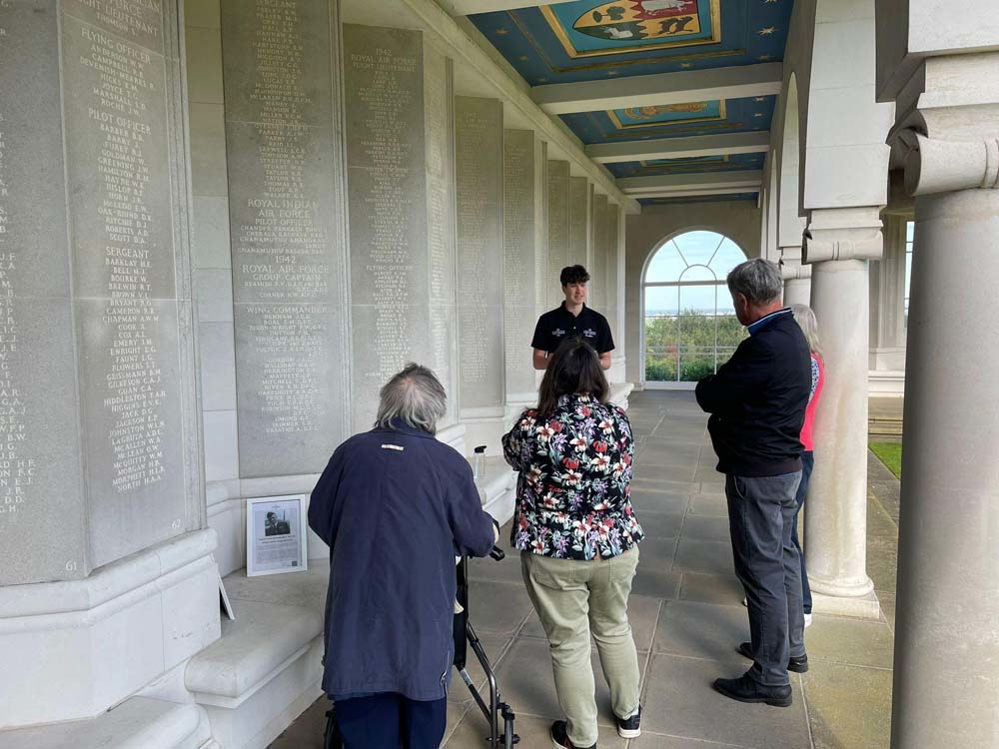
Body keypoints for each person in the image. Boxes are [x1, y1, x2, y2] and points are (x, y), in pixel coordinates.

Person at [308, 364, 498, 749]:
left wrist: (361, 546)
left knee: (363, 720)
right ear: (434, 413)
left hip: (357, 612)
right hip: (419, 616)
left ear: (385, 407)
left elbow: (320, 517)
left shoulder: (350, 452)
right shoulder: (447, 463)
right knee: (420, 716)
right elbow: (477, 539)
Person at [502, 339, 644, 749]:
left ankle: (581, 736)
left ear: (554, 377)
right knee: (614, 627)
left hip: (554, 551)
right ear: (595, 378)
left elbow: (512, 455)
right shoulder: (617, 420)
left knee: (569, 643)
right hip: (615, 546)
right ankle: (628, 714)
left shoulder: (534, 424)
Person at [694, 258, 811, 708]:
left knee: (760, 571)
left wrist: (712, 382)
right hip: (784, 469)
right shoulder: (792, 334)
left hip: (759, 474)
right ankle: (787, 650)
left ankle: (769, 676)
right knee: (781, 560)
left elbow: (712, 394)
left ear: (743, 300)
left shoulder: (763, 345)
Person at [788, 303, 824, 628]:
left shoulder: (809, 365)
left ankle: (802, 604)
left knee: (787, 533)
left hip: (798, 452)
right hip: (797, 451)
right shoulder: (808, 363)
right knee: (784, 530)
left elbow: (793, 409)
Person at [532, 265, 614, 371]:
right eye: (573, 285)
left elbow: (607, 360)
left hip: (588, 384)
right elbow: (537, 362)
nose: (579, 290)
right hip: (557, 385)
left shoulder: (599, 321)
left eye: (582, 285)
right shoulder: (547, 320)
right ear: (564, 289)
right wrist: (554, 361)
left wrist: (595, 362)